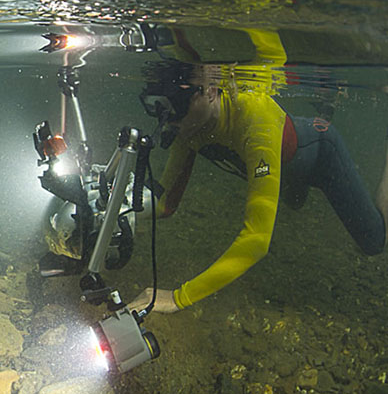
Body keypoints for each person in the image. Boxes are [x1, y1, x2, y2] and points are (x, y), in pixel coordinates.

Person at [127, 60, 388, 313]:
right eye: (160, 108)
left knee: (373, 241)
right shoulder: (186, 124)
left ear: (211, 90)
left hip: (321, 155)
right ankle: (324, 110)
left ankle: (327, 119)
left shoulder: (253, 118)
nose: (170, 120)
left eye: (178, 103)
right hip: (285, 168)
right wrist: (121, 214)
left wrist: (179, 298)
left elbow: (257, 239)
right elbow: (166, 203)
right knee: (295, 203)